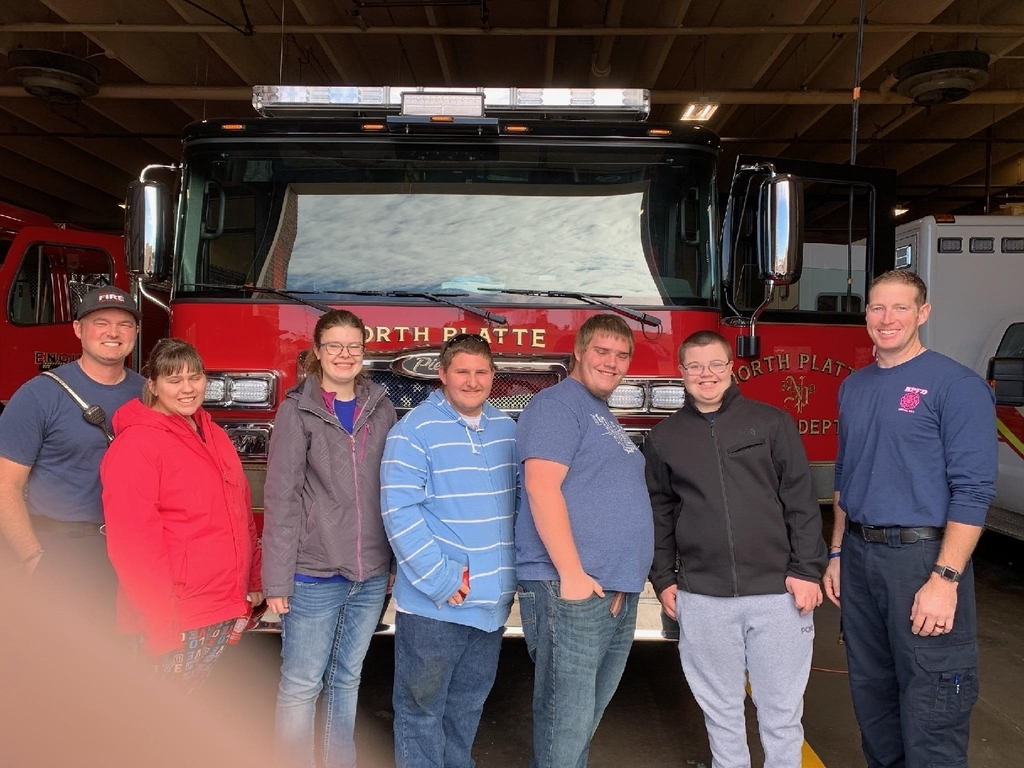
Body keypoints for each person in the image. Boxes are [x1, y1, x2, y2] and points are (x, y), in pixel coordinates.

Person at [824, 269, 997, 767]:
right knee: (873, 698)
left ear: (923, 313)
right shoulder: (854, 387)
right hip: (858, 555)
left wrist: (945, 578)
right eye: (877, 307)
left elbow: (972, 490)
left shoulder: (956, 386)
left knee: (932, 706)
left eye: (901, 307)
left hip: (922, 558)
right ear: (865, 316)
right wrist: (837, 550)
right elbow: (845, 475)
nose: (887, 318)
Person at [645, 330, 826, 768]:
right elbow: (659, 513)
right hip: (702, 597)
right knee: (721, 713)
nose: (705, 374)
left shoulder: (771, 422)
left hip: (778, 595)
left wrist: (806, 571)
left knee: (781, 715)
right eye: (695, 366)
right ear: (681, 372)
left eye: (714, 364)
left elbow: (800, 500)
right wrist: (664, 578)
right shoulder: (664, 438)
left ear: (731, 367)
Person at [514, 314, 654, 768]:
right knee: (565, 725)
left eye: (621, 355)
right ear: (578, 351)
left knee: (580, 725)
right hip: (572, 590)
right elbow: (540, 486)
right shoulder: (558, 405)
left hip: (608, 588)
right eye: (602, 351)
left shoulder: (599, 412)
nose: (612, 362)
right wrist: (572, 575)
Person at [262, 310, 397, 768]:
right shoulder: (295, 410)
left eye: (353, 346)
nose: (345, 355)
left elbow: (393, 489)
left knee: (347, 679)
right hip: (315, 570)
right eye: (334, 346)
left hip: (371, 572)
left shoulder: (381, 406)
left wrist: (394, 564)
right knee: (301, 683)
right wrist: (277, 581)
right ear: (317, 352)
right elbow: (281, 498)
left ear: (364, 351)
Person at [380, 333, 517, 768]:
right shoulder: (413, 431)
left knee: (466, 709)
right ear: (442, 375)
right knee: (422, 713)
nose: (472, 381)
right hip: (436, 607)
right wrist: (441, 579)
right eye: (462, 371)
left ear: (493, 376)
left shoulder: (507, 431)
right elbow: (398, 511)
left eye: (481, 372)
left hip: (490, 607)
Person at [100, 338, 262, 690]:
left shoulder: (214, 434)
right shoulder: (136, 446)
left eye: (196, 376)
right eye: (174, 380)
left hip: (218, 607)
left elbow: (241, 514)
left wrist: (253, 581)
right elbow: (134, 547)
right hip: (176, 617)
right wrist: (160, 627)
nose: (188, 388)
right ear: (153, 386)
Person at [0, 286, 144, 614]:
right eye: (101, 322)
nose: (113, 332)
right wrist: (33, 558)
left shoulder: (148, 394)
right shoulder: (38, 396)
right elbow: (4, 486)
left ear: (135, 332)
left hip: (130, 555)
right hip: (62, 553)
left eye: (124, 324)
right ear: (78, 329)